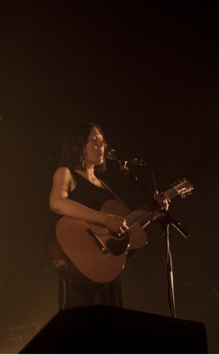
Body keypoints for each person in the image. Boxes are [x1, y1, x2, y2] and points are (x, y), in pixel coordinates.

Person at [48, 121, 168, 310]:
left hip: (106, 268)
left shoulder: (104, 186)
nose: (101, 146)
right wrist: (105, 219)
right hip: (80, 265)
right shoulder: (66, 173)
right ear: (78, 144)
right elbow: (57, 203)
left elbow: (123, 228)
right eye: (94, 140)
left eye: (102, 141)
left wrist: (153, 212)